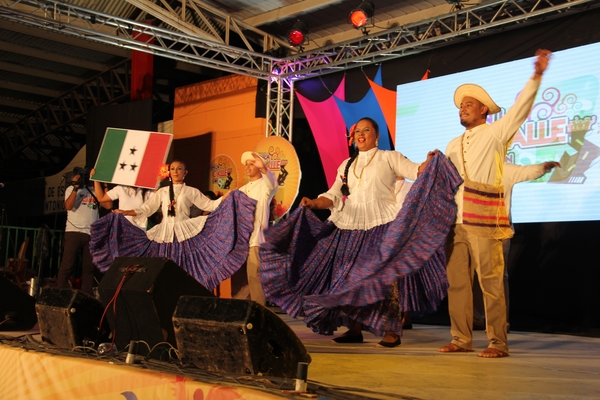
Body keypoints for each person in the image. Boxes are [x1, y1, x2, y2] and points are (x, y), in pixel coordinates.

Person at [259, 117, 462, 347]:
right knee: (348, 277)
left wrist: (428, 162)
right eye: (358, 132)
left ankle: (391, 330)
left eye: (367, 130)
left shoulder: (389, 157)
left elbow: (416, 171)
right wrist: (314, 203)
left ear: (377, 136)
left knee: (384, 280)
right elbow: (333, 195)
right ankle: (354, 328)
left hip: (382, 223)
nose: (361, 134)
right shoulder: (346, 165)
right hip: (351, 223)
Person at [440, 49, 552, 358]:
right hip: (456, 222)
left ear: (484, 110)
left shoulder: (494, 134)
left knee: (491, 282)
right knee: (457, 283)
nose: (463, 108)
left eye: (469, 104)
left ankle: (497, 342)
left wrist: (536, 75)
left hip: (485, 219)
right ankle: (461, 338)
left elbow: (519, 109)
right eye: (461, 105)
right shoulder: (452, 144)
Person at [89, 160, 256, 292]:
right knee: (161, 269)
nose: (176, 171)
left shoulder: (191, 191)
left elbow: (211, 206)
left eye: (179, 169)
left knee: (185, 268)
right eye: (173, 169)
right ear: (169, 172)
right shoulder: (162, 192)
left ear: (185, 172)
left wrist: (228, 196)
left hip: (185, 233)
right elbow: (146, 209)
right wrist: (125, 212)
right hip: (165, 235)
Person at [472, 161, 561, 329]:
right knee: (475, 275)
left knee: (498, 276)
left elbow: (526, 171)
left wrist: (542, 168)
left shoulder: (503, 168)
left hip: (498, 230)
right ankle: (477, 317)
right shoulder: (472, 166)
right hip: (473, 228)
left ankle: (499, 322)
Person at [232, 151, 278, 306]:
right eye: (246, 164)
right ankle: (238, 308)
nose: (248, 167)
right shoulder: (242, 190)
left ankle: (260, 310)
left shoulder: (265, 186)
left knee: (254, 277)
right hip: (241, 241)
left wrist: (264, 168)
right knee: (242, 279)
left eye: (251, 164)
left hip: (256, 240)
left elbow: (273, 185)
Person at [57, 167, 111, 295]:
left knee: (89, 267)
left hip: (91, 234)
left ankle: (86, 294)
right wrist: (76, 187)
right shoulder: (71, 189)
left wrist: (104, 185)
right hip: (73, 231)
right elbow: (68, 206)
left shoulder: (95, 190)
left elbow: (108, 205)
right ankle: (59, 291)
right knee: (68, 264)